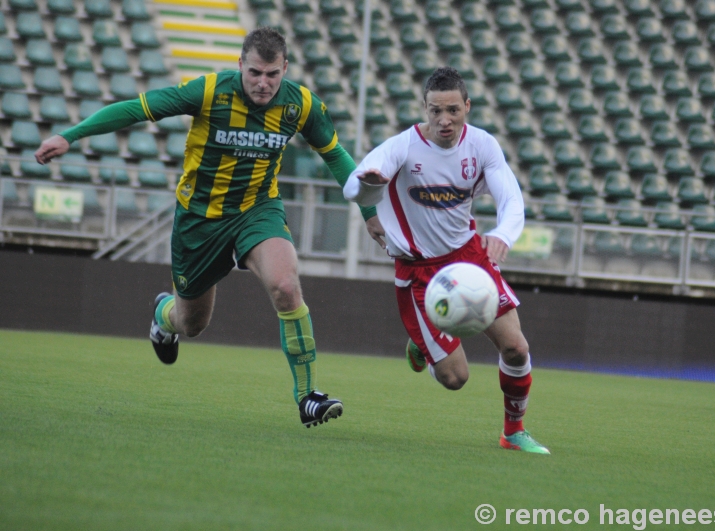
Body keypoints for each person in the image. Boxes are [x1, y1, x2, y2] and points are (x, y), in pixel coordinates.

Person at [34, 27, 382, 428]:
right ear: (240, 65)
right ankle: (164, 316)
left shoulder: (300, 105)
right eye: (255, 72)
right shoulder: (209, 92)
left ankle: (307, 397)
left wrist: (369, 215)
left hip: (257, 210)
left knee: (286, 286)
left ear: (285, 68)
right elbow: (137, 107)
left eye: (272, 74)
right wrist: (70, 136)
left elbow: (335, 156)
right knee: (192, 324)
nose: (263, 83)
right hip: (199, 220)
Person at [343, 66, 549, 454]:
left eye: (453, 110)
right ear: (424, 108)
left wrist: (503, 235)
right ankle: (420, 344)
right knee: (456, 379)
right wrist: (368, 187)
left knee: (517, 348)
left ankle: (513, 432)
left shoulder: (482, 145)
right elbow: (354, 185)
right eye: (435, 110)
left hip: (470, 257)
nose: (444, 120)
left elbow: (511, 199)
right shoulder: (402, 146)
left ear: (467, 106)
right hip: (419, 271)